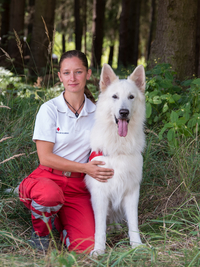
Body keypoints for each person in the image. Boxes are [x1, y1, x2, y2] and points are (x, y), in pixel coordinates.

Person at [19, 50, 114, 253]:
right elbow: (45, 157)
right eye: (67, 72)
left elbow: (103, 148)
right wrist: (85, 167)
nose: (72, 78)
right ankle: (41, 232)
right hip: (48, 178)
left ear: (88, 74)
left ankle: (60, 223)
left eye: (78, 72)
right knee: (49, 196)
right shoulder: (49, 109)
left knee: (88, 247)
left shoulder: (98, 112)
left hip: (78, 187)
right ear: (60, 76)